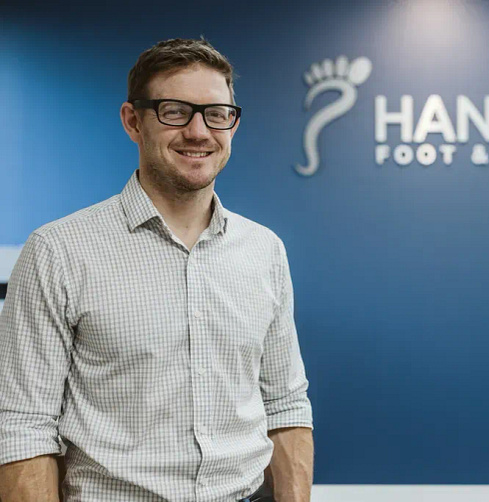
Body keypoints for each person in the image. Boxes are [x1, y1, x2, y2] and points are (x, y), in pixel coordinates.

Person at [0, 38, 314, 502]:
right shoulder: (58, 251)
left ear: (232, 124)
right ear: (133, 121)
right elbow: (23, 425)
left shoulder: (264, 250)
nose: (198, 132)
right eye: (175, 111)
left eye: (217, 114)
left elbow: (285, 405)